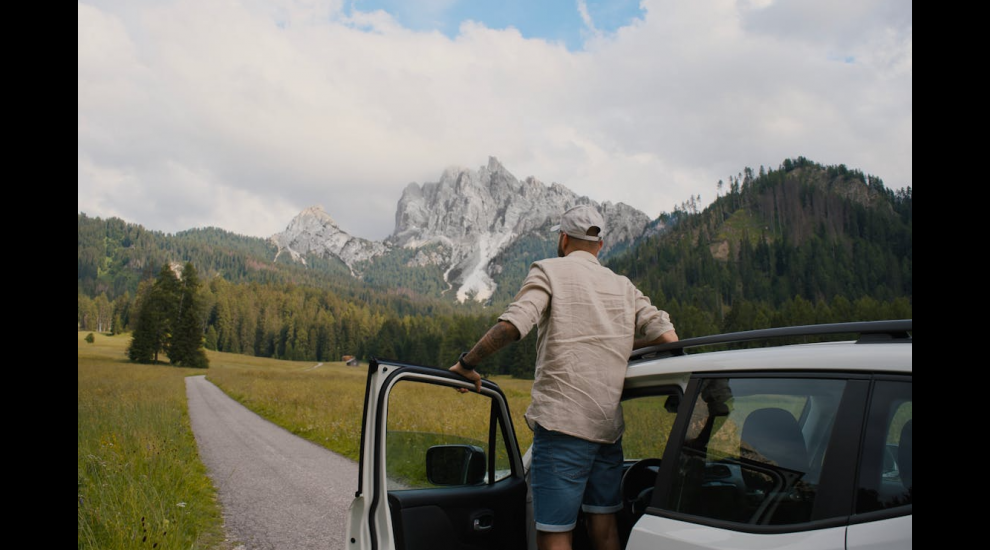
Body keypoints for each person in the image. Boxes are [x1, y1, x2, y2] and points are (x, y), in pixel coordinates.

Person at [449, 204, 678, 550]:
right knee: (605, 527)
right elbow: (666, 337)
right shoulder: (624, 286)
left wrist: (468, 363)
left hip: (562, 429)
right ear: (600, 245)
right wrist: (618, 343)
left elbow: (514, 325)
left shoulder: (549, 270)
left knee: (555, 531)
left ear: (563, 238)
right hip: (607, 431)